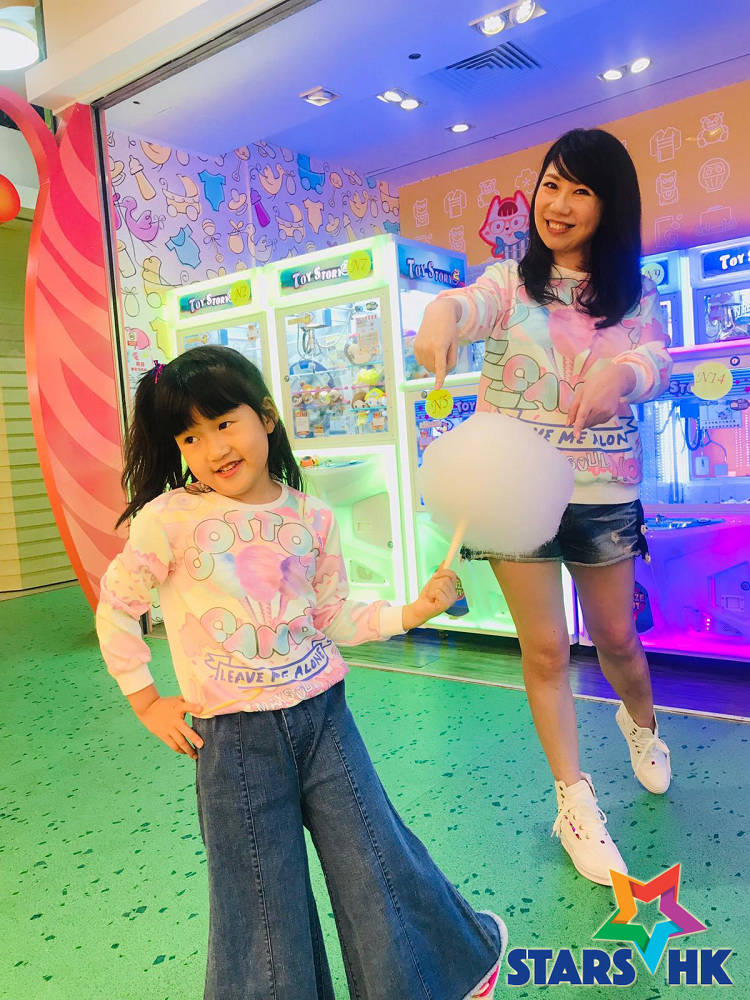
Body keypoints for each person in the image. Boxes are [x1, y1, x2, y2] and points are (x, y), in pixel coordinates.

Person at [95, 345, 506, 1000]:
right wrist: (145, 700)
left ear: (265, 417)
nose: (213, 448)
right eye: (190, 437)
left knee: (373, 858)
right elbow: (117, 606)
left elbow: (332, 616)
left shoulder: (311, 516)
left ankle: (431, 980)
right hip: (231, 739)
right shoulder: (167, 519)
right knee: (259, 897)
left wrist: (413, 611)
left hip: (324, 719)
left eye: (223, 423)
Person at [414, 128, 672, 886]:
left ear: (609, 206)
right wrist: (440, 316)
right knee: (547, 650)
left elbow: (656, 358)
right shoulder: (509, 282)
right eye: (551, 184)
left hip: (604, 491)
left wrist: (622, 376)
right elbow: (464, 305)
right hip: (512, 490)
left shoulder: (635, 292)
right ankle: (574, 802)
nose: (557, 204)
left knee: (617, 639)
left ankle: (643, 725)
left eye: (580, 191)